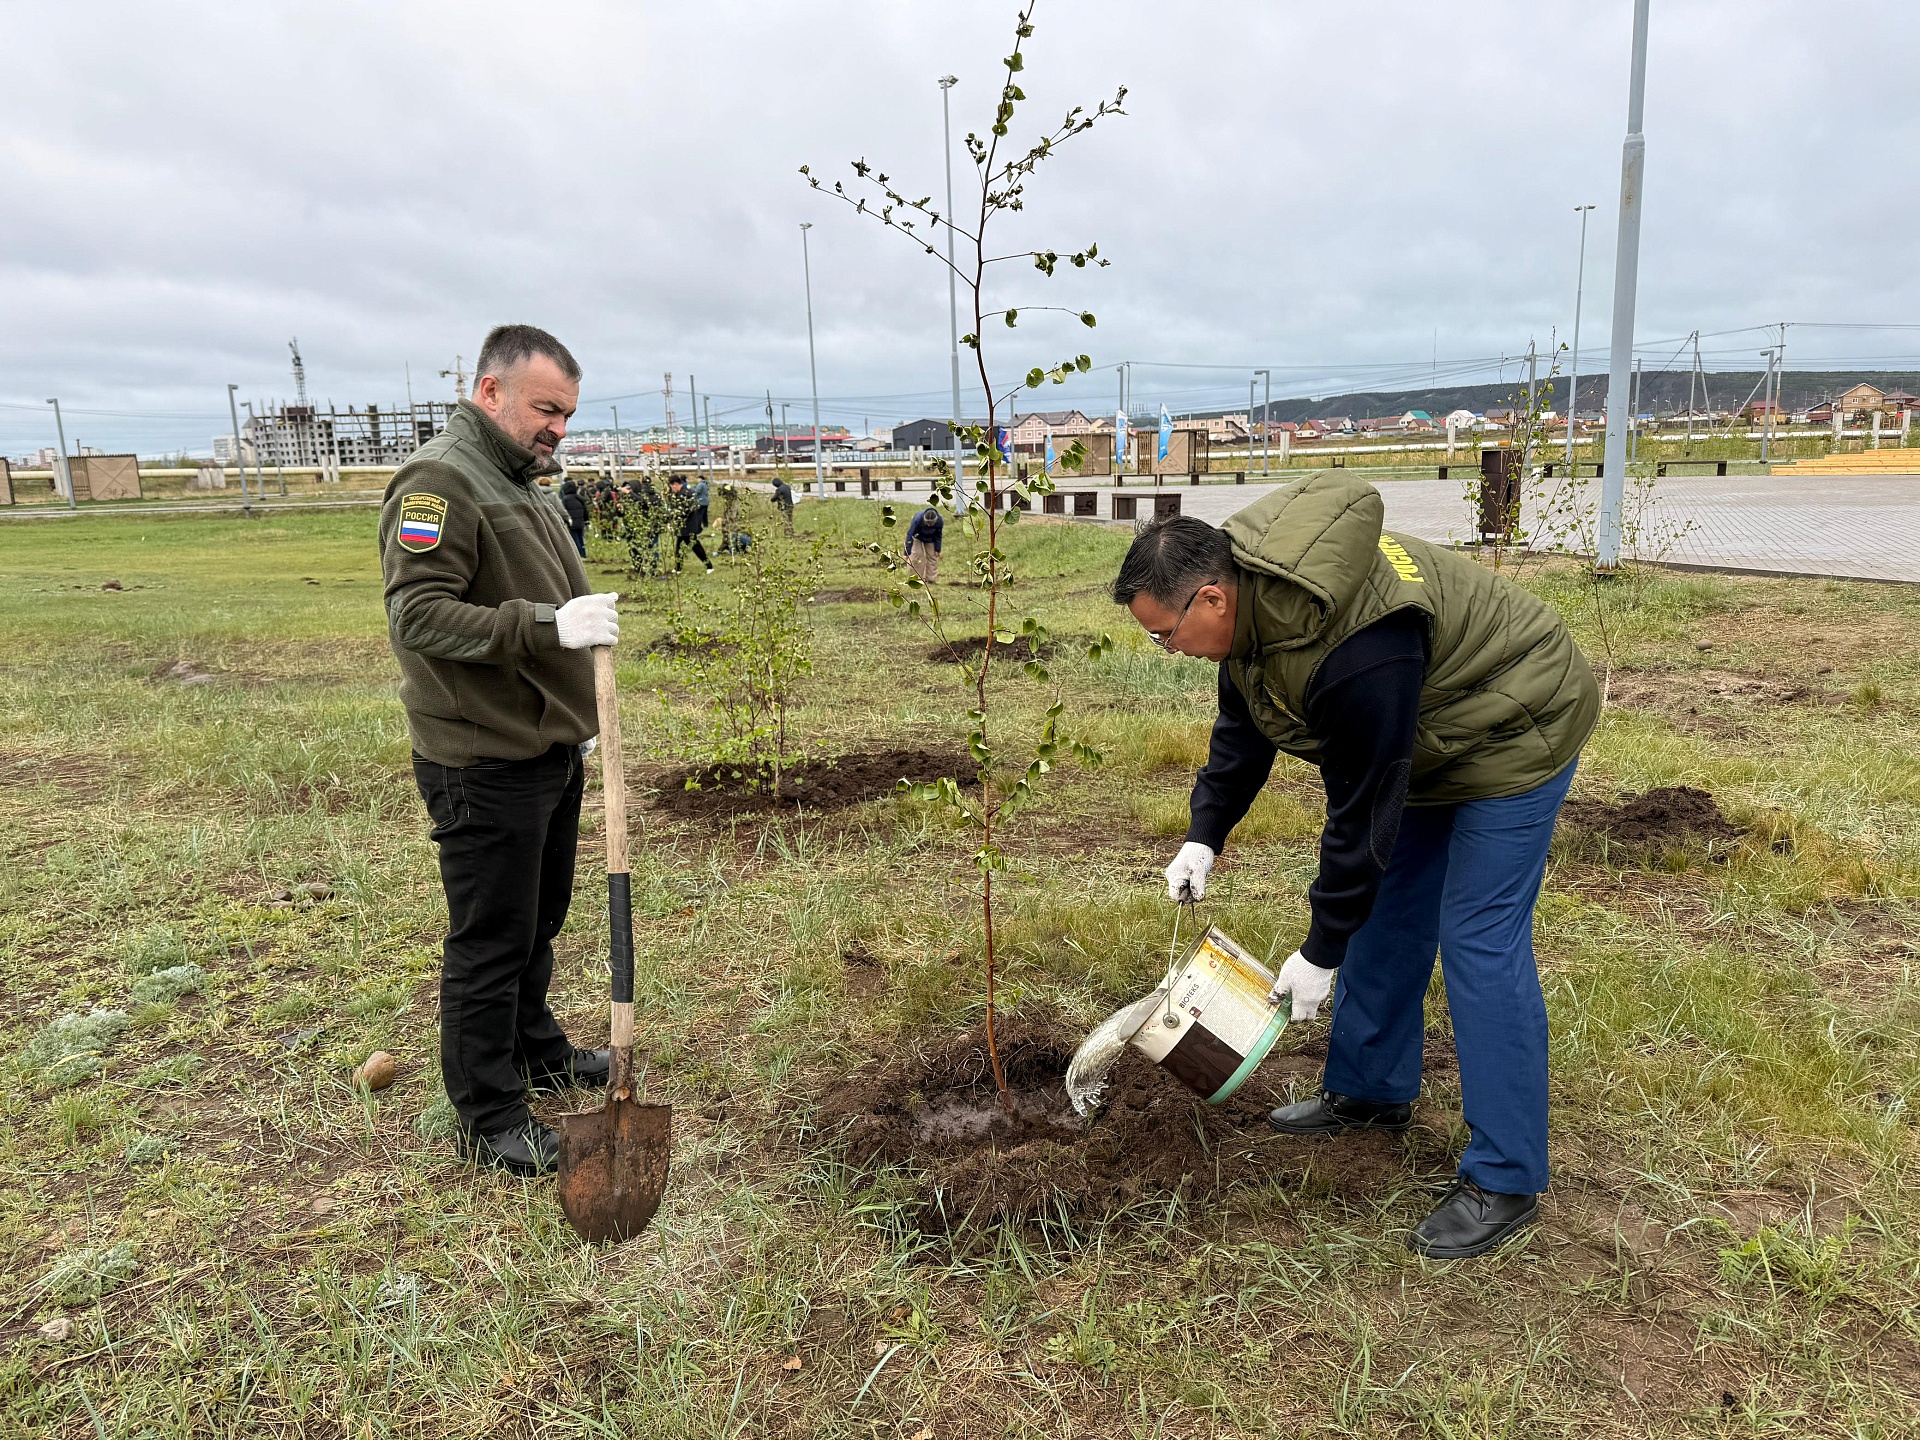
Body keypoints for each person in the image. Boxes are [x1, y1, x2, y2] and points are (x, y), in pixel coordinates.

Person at [1111, 473, 1599, 1259]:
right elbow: (1244, 728)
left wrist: (1321, 950)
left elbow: (1365, 805)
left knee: (1477, 936)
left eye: (1162, 634)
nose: (1165, 651)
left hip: (1516, 724)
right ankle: (1371, 1093)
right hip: (1427, 736)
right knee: (1387, 908)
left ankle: (1505, 1176)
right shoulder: (1253, 609)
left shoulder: (1354, 645)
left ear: (1209, 598)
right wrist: (1205, 834)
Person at [379, 324, 620, 1179]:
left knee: (536, 921)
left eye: (568, 413)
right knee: (491, 937)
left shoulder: (521, 478)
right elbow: (417, 614)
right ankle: (488, 1113)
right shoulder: (440, 481)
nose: (559, 427)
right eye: (546, 409)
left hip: (544, 745)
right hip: (483, 757)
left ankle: (535, 1049)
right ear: (490, 392)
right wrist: (546, 625)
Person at [666, 474, 712, 573]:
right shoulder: (681, 492)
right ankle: (678, 568)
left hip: (688, 526)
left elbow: (687, 509)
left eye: (671, 487)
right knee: (679, 548)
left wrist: (676, 515)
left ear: (675, 484)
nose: (672, 489)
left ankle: (709, 566)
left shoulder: (685, 493)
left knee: (696, 547)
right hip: (683, 526)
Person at [903, 505, 943, 585]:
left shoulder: (940, 521)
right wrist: (906, 552)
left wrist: (937, 549)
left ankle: (931, 580)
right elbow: (910, 534)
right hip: (917, 537)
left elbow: (938, 535)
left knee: (932, 556)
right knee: (917, 554)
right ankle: (915, 579)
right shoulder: (917, 520)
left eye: (931, 523)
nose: (929, 525)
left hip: (931, 538)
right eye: (927, 522)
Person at [558, 474, 588, 558]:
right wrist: (586, 519)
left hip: (572, 521)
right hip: (581, 521)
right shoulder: (579, 498)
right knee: (581, 537)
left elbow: (563, 510)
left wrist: (565, 520)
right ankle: (583, 553)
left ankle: (578, 555)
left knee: (575, 538)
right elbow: (585, 510)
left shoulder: (565, 499)